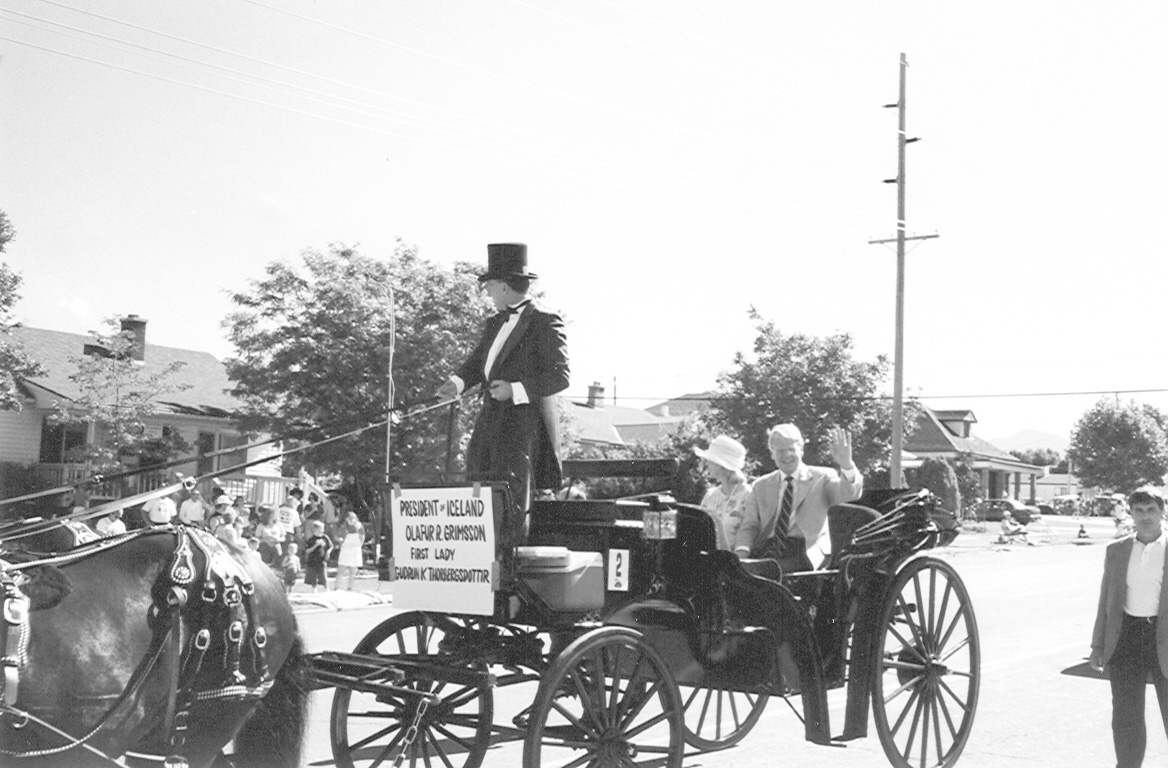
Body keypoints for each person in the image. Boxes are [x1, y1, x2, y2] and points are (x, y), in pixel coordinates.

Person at [435, 243, 570, 524]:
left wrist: (515, 389)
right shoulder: (495, 322)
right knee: (478, 486)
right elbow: (476, 364)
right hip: (489, 421)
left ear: (505, 287)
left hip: (523, 427)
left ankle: (508, 558)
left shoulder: (545, 321)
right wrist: (457, 384)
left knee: (511, 498)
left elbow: (560, 375)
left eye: (490, 286)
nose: (487, 292)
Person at [1089, 487, 1168, 768]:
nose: (1145, 516)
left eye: (1151, 510)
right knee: (1126, 718)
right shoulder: (1118, 550)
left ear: (1162, 512)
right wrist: (1098, 645)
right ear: (1130, 513)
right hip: (1127, 639)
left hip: (1164, 638)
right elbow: (1106, 601)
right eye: (1139, 510)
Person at [733, 424, 863, 573]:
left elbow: (849, 494)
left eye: (791, 449)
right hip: (767, 550)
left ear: (801, 450)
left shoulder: (823, 477)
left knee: (770, 573)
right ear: (772, 454)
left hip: (805, 550)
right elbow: (749, 526)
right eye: (780, 451)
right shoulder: (760, 485)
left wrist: (846, 465)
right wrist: (740, 557)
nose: (786, 455)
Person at [694, 434, 750, 551]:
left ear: (722, 465)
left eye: (711, 460)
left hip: (735, 564)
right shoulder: (710, 495)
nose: (707, 464)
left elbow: (750, 534)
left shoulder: (748, 496)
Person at [335, 511, 365, 591]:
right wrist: (340, 540)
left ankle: (350, 589)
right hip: (345, 551)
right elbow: (337, 537)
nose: (351, 520)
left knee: (352, 573)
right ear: (346, 519)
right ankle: (336, 589)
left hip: (355, 551)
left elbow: (362, 537)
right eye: (349, 518)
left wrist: (359, 546)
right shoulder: (343, 527)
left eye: (353, 518)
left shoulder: (359, 526)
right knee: (340, 571)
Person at [303, 519, 333, 592]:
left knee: (323, 575)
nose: (322, 530)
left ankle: (326, 589)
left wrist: (328, 552)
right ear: (315, 529)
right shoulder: (311, 539)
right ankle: (314, 590)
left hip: (322, 560)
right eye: (321, 529)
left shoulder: (325, 537)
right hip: (312, 560)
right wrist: (316, 545)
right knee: (313, 576)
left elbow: (331, 546)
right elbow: (307, 550)